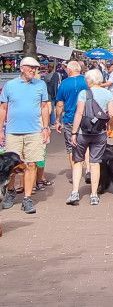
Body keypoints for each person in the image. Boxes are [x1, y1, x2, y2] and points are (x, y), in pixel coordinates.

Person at [0, 57, 50, 214]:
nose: (34, 70)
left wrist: (46, 127)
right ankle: (10, 191)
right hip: (13, 131)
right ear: (21, 68)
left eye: (36, 68)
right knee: (11, 167)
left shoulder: (41, 85)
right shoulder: (10, 85)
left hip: (34, 131)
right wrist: (0, 129)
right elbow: (3, 108)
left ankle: (27, 198)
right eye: (31, 67)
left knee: (31, 164)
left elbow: (44, 108)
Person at [66, 69, 113, 206]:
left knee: (78, 161)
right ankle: (93, 195)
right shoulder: (108, 93)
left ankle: (75, 192)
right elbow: (111, 113)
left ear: (89, 80)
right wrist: (109, 128)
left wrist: (74, 133)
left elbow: (79, 113)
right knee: (95, 163)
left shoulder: (84, 93)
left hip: (83, 132)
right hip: (99, 133)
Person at [55, 61, 89, 180]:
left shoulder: (64, 83)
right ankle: (89, 169)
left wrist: (58, 120)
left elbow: (59, 104)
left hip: (70, 118)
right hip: (86, 118)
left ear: (69, 70)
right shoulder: (87, 81)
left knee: (71, 146)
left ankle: (75, 172)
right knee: (87, 143)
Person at [101, 60, 113, 135]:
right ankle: (109, 129)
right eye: (107, 66)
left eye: (109, 66)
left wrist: (98, 85)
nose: (108, 68)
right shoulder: (107, 74)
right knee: (108, 113)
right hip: (108, 94)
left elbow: (108, 84)